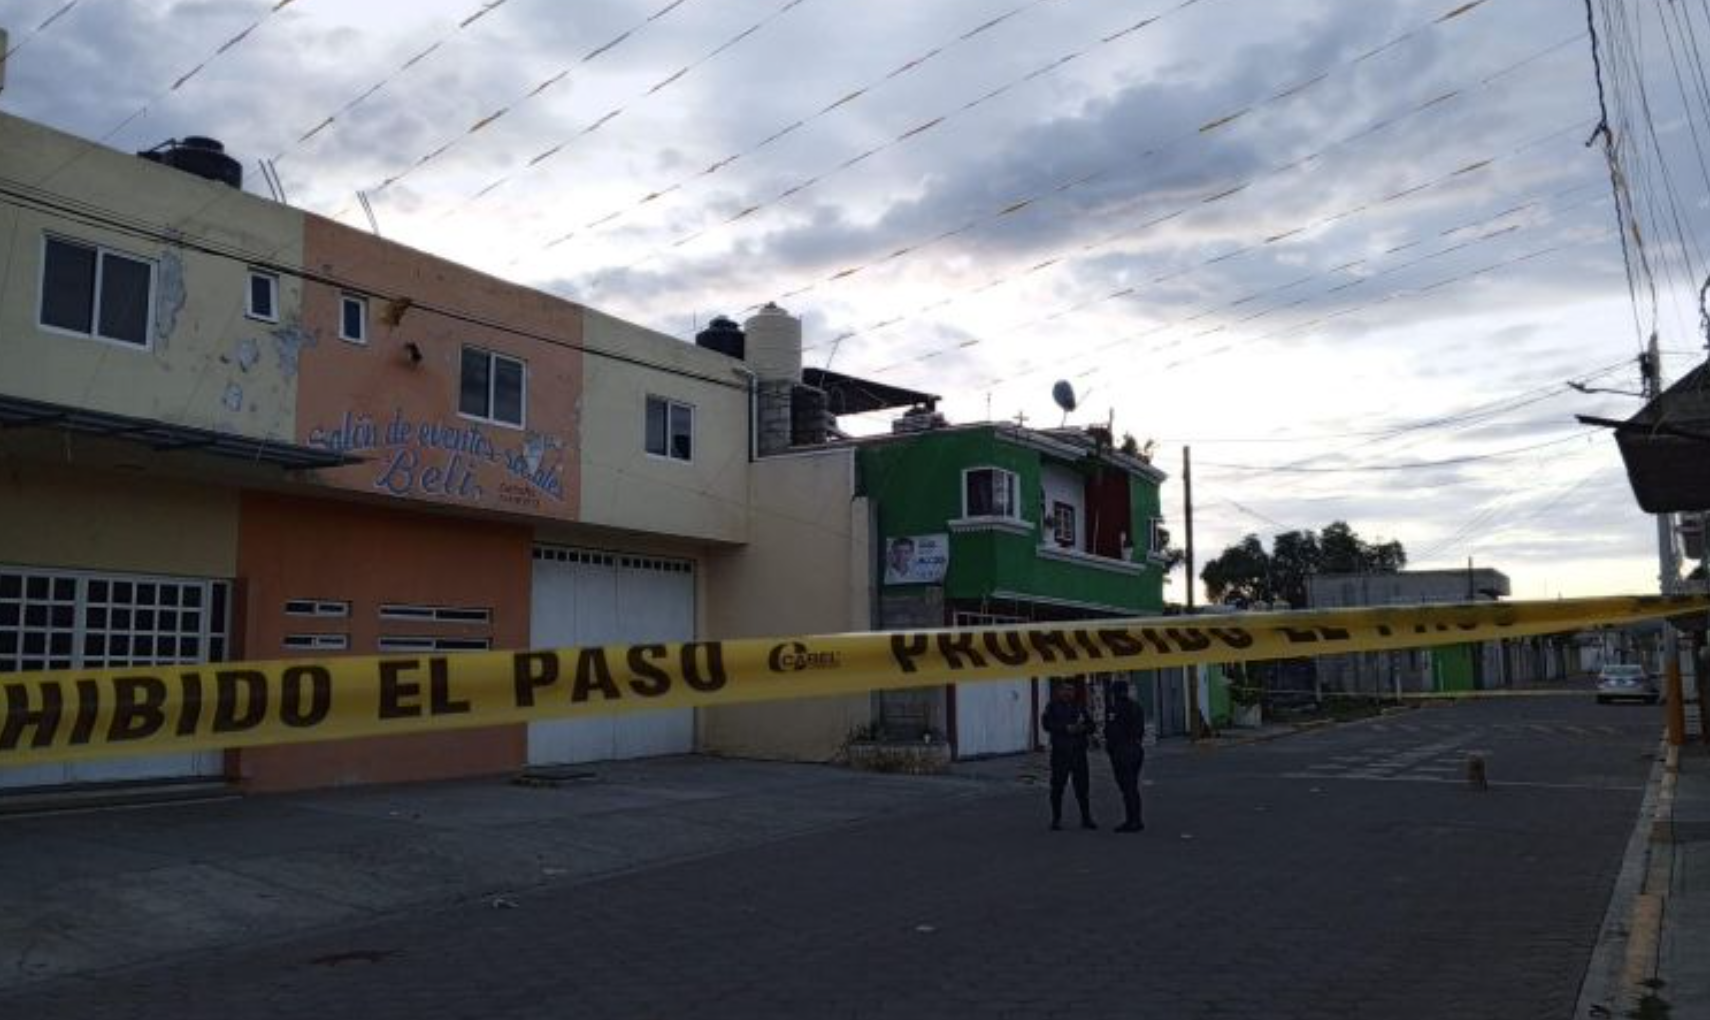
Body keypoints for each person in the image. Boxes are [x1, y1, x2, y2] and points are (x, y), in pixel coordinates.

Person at [1041, 680, 1096, 831]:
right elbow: (1046, 724)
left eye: (1071, 690)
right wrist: (1065, 728)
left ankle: (1086, 818)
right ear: (1059, 691)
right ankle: (1056, 819)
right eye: (1065, 690)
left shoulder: (1080, 707)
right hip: (1060, 753)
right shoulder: (1052, 707)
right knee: (1057, 787)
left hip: (1078, 753)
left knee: (1082, 788)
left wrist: (1082, 728)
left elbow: (1092, 726)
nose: (1068, 693)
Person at [1104, 679, 1146, 832]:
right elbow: (1140, 730)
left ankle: (1132, 821)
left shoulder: (1114, 709)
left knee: (1127, 787)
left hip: (1122, 751)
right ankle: (1136, 819)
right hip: (1136, 749)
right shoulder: (1137, 706)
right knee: (1132, 786)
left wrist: (1111, 748)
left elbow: (1111, 731)